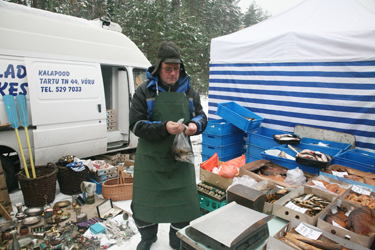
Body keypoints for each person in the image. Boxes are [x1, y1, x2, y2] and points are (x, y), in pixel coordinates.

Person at [129, 41, 207, 250]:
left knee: (184, 202)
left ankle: (176, 237)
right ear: (158, 67)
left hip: (180, 157)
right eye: (168, 69)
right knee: (145, 202)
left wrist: (194, 125)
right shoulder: (144, 92)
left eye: (176, 68)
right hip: (151, 160)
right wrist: (164, 127)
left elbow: (202, 116)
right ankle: (147, 237)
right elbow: (136, 125)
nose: (173, 73)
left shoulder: (189, 92)